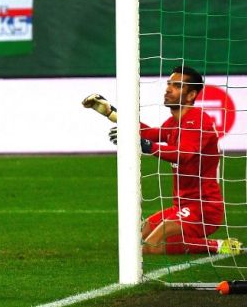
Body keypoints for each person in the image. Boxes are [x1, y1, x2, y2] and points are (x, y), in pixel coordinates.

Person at [89, 67, 243, 256]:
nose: (168, 89)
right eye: (169, 84)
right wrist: (111, 113)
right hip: (180, 206)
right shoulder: (173, 123)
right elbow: (148, 133)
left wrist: (146, 146)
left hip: (203, 208)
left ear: (191, 95)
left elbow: (184, 154)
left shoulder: (198, 120)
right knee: (138, 238)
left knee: (150, 246)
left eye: (177, 86)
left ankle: (218, 245)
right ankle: (194, 242)